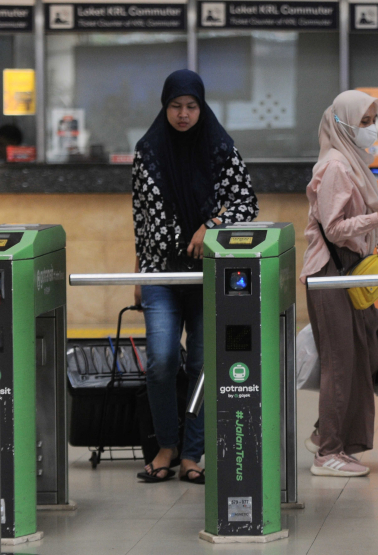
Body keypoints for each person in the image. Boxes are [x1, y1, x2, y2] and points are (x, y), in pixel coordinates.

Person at [132, 69, 258, 483]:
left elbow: (246, 202)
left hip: (208, 273)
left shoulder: (220, 147)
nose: (183, 114)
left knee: (204, 363)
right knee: (162, 361)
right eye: (175, 106)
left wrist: (212, 225)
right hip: (161, 275)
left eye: (191, 106)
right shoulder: (147, 150)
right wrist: (138, 271)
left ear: (202, 108)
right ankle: (166, 445)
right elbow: (141, 219)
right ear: (164, 107)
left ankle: (192, 454)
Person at [299, 90, 378, 477]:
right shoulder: (336, 167)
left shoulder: (352, 163)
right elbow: (334, 229)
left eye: (372, 121)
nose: (371, 129)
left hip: (352, 270)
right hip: (331, 274)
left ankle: (328, 435)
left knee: (367, 353)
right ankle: (327, 451)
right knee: (340, 361)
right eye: (364, 122)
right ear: (344, 124)